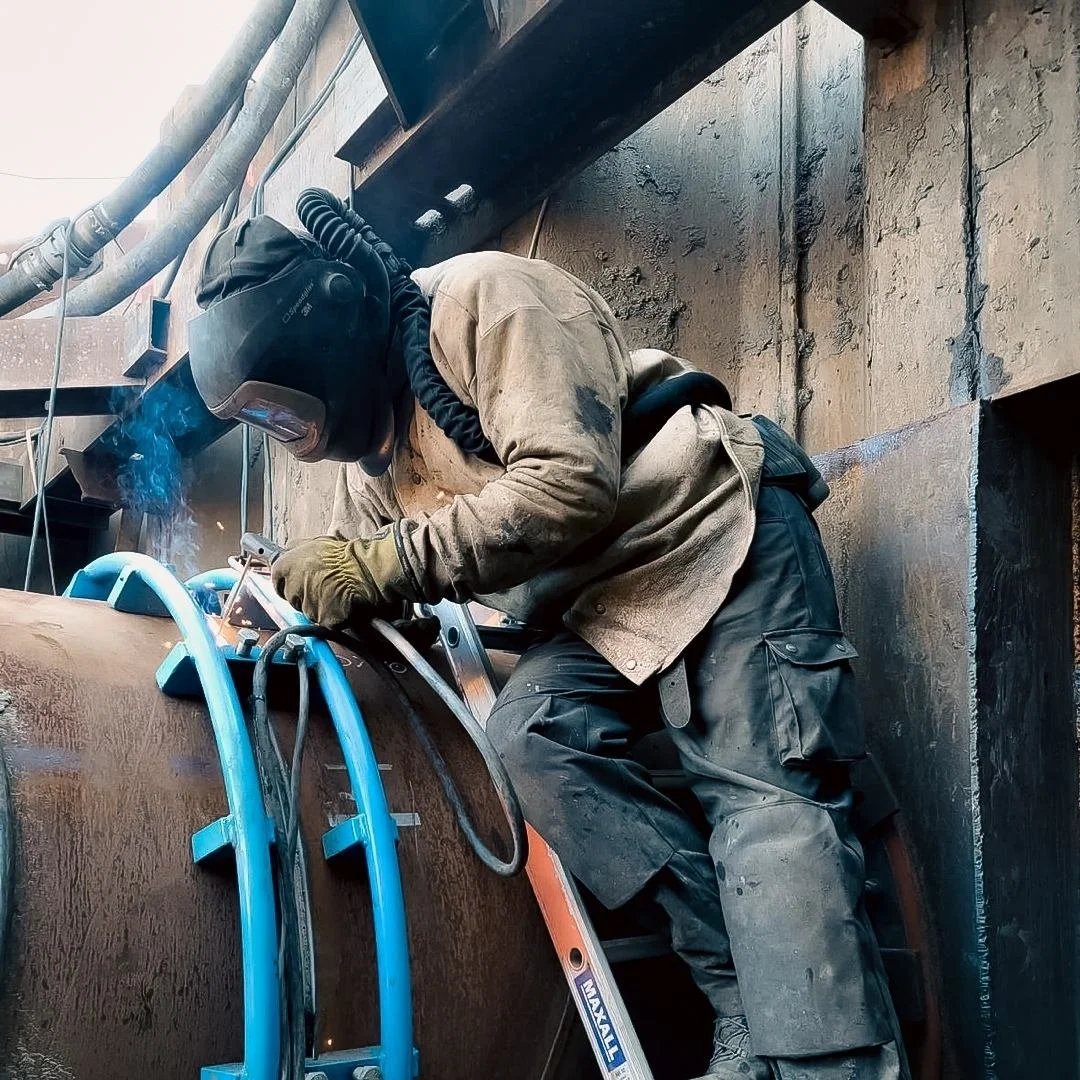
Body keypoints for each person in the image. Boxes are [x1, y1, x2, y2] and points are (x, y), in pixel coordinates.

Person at [188, 189, 908, 1080]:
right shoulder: (377, 458)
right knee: (528, 743)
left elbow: (569, 485)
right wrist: (329, 601)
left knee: (763, 811)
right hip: (600, 607)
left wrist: (380, 568)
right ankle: (740, 997)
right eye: (268, 423)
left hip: (711, 534)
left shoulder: (484, 303)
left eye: (286, 411)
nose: (292, 433)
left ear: (332, 326)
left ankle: (818, 1066)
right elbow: (398, 588)